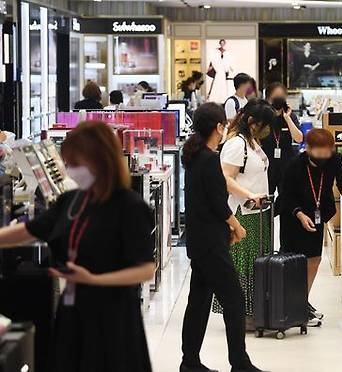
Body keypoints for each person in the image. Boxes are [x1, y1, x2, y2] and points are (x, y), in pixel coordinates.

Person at [0, 121, 156, 371]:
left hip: (112, 316)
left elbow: (145, 269)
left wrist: (93, 279)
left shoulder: (129, 207)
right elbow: (29, 230)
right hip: (73, 312)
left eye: (76, 163)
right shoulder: (71, 201)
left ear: (100, 160)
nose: (71, 170)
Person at [180, 103, 265, 372]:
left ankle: (190, 362)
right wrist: (236, 226)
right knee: (234, 298)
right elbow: (217, 202)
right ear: (218, 127)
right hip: (210, 243)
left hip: (200, 240)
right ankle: (239, 362)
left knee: (199, 300)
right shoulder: (207, 159)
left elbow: (206, 202)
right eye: (224, 124)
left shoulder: (196, 157)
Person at [278, 128, 342, 326]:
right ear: (308, 149)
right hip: (295, 216)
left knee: (314, 259)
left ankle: (301, 303)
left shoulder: (335, 160)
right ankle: (291, 305)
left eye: (328, 151)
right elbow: (286, 196)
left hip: (317, 214)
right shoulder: (294, 165)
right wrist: (299, 214)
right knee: (294, 261)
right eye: (321, 152)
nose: (326, 156)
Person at [215, 99, 275, 330]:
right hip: (243, 212)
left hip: (259, 212)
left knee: (256, 264)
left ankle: (254, 310)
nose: (268, 129)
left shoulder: (252, 142)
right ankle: (240, 313)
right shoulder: (236, 144)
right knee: (243, 265)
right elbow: (225, 178)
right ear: (252, 121)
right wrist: (250, 194)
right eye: (265, 124)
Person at [263, 82, 303, 196]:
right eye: (276, 96)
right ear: (268, 98)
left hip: (286, 162)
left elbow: (299, 139)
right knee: (266, 197)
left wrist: (287, 118)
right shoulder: (263, 115)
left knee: (286, 198)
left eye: (282, 96)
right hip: (267, 162)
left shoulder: (290, 115)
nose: (279, 98)